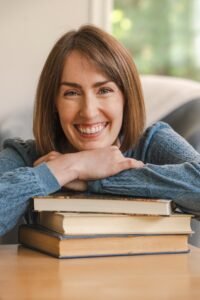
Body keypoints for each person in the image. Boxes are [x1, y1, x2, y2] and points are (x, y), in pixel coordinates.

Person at [1, 24, 200, 237]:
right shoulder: (26, 156)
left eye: (104, 90)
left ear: (125, 98)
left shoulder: (151, 144)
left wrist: (93, 178)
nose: (88, 112)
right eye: (72, 93)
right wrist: (65, 169)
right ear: (54, 103)